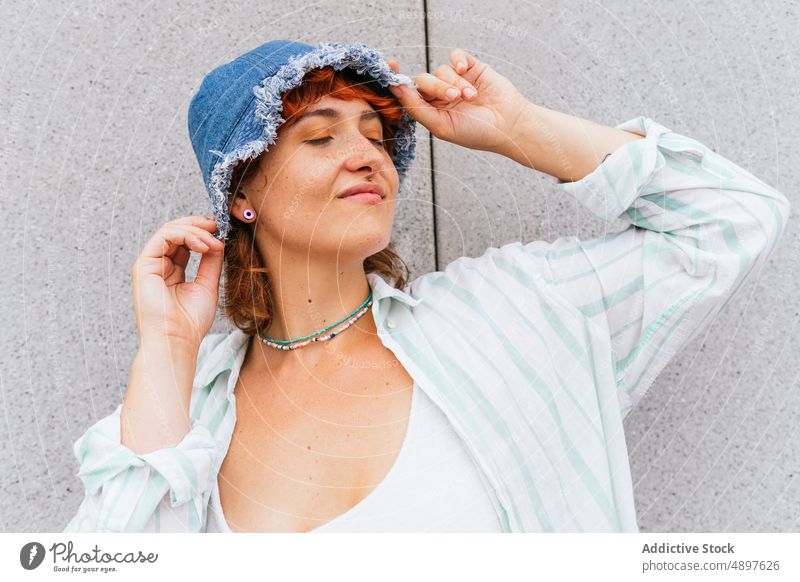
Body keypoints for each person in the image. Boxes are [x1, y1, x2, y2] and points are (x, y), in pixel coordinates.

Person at [63, 40, 790, 533]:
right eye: (320, 137)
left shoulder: (515, 314)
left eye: (378, 136)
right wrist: (164, 350)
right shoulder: (187, 417)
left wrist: (519, 129)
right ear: (241, 194)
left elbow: (730, 220)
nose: (364, 156)